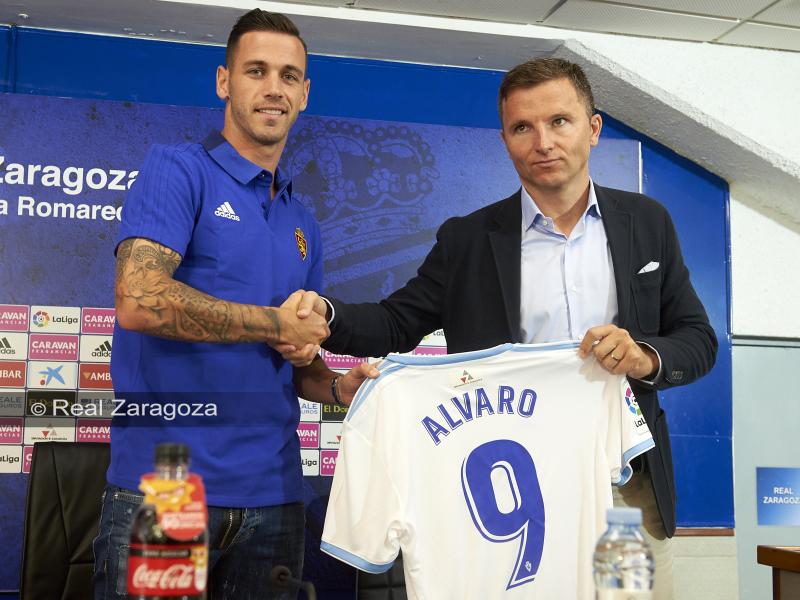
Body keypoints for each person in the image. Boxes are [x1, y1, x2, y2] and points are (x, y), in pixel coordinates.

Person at [285, 58, 717, 599]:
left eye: (560, 121)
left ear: (594, 128)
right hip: (504, 485)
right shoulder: (467, 240)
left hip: (622, 491)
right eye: (522, 127)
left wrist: (644, 356)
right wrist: (328, 316)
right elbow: (397, 322)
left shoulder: (647, 223)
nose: (543, 141)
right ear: (505, 139)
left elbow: (697, 339)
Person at [93, 10, 377, 600]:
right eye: (257, 70)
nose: (274, 87)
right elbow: (140, 300)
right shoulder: (178, 169)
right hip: (170, 488)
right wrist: (272, 322)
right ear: (225, 81)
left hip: (275, 496)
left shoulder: (303, 220)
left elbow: (296, 361)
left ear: (305, 93)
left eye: (289, 75)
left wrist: (336, 388)